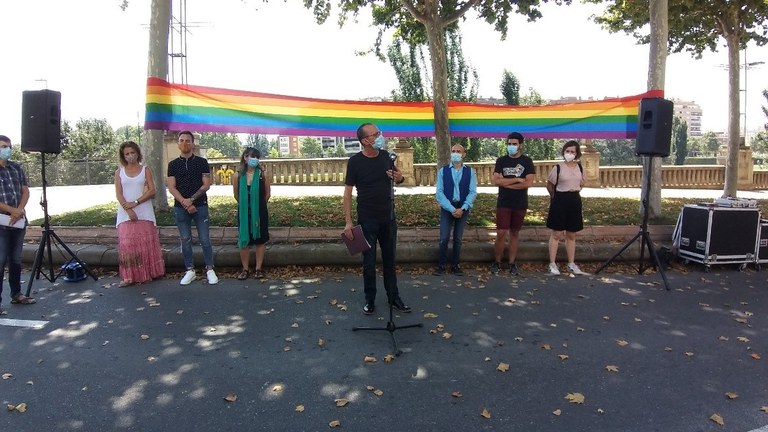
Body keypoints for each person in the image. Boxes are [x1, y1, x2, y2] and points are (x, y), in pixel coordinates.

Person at [343, 122, 411, 315]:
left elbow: (399, 178)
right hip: (367, 221)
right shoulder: (355, 162)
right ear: (365, 140)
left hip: (388, 219)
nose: (380, 136)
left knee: (390, 261)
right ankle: (370, 300)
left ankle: (394, 297)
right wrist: (348, 222)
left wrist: (399, 178)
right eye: (376, 134)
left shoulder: (385, 157)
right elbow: (347, 194)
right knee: (369, 263)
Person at [166, 131, 218, 285]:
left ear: (193, 143)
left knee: (204, 239)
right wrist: (184, 202)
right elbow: (171, 187)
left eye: (188, 141)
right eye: (181, 140)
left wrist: (192, 200)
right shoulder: (173, 165)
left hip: (200, 206)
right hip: (180, 208)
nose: (184, 143)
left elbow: (206, 184)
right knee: (185, 239)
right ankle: (189, 269)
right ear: (178, 143)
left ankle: (209, 268)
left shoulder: (202, 162)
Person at [114, 141, 165, 287]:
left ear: (138, 153)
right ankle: (129, 276)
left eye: (132, 153)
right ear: (123, 156)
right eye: (127, 154)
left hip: (144, 211)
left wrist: (135, 203)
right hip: (125, 214)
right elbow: (118, 193)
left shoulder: (145, 170)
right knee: (127, 244)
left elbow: (152, 190)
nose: (130, 156)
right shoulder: (119, 172)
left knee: (145, 243)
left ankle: (148, 273)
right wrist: (128, 209)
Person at [491, 132, 535, 275]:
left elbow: (527, 183)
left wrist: (506, 182)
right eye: (509, 144)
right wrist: (517, 180)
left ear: (520, 145)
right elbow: (496, 181)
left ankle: (511, 263)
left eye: (514, 144)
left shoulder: (527, 162)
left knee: (515, 233)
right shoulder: (501, 161)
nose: (511, 146)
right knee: (501, 232)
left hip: (520, 203)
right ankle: (497, 262)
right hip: (503, 202)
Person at [0, 135, 34, 307]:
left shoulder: (16, 168)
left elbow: (25, 191)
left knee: (16, 259)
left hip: (18, 221)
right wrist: (11, 210)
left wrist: (19, 210)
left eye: (8, 146)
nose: (6, 150)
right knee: (0, 260)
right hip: (2, 223)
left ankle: (16, 294)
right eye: (3, 147)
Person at [433, 144, 478, 276]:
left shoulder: (470, 172)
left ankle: (455, 265)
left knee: (458, 238)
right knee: (444, 237)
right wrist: (452, 209)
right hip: (448, 207)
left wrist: (463, 208)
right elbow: (439, 193)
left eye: (458, 151)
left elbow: (472, 192)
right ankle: (441, 265)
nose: (456, 153)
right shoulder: (443, 171)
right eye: (453, 151)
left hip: (463, 207)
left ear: (463, 154)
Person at [546, 140, 587, 275]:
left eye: (572, 151)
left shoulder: (580, 168)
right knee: (557, 233)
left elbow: (582, 184)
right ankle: (552, 263)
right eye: (567, 151)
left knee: (571, 234)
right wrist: (554, 197)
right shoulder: (558, 167)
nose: (569, 154)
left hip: (574, 199)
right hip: (559, 199)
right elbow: (550, 185)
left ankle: (571, 263)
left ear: (577, 154)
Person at [233, 147, 271, 280]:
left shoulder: (263, 175)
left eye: (255, 156)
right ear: (244, 157)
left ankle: (258, 268)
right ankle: (245, 269)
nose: (252, 158)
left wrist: (257, 205)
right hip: (244, 212)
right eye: (249, 156)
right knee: (244, 241)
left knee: (260, 240)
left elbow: (267, 195)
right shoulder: (237, 176)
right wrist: (246, 205)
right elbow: (236, 195)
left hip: (259, 212)